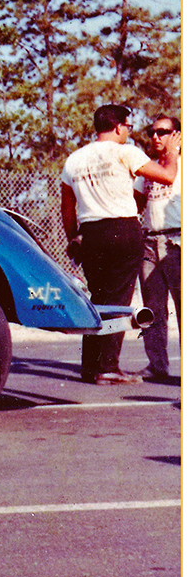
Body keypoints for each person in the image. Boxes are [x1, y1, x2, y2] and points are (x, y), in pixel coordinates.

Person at [60, 104, 178, 386]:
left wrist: (74, 236)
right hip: (122, 228)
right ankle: (108, 366)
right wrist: (173, 153)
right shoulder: (126, 152)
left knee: (97, 299)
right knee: (119, 302)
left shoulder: (74, 160)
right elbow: (168, 176)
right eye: (129, 126)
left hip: (90, 231)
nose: (129, 131)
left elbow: (67, 206)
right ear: (118, 127)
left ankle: (90, 366)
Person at [134, 115, 181, 382]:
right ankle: (157, 365)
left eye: (163, 132)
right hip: (150, 242)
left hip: (177, 241)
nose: (155, 137)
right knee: (152, 310)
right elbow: (135, 204)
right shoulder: (150, 169)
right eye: (152, 132)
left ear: (177, 136)